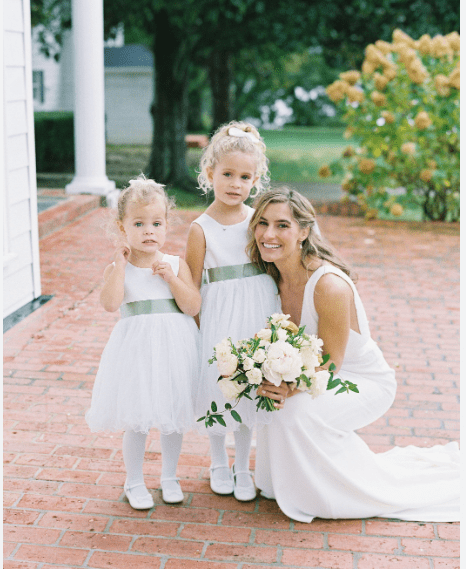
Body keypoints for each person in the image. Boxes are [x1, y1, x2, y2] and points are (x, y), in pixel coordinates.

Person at [246, 186, 460, 523]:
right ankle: (288, 483)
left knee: (295, 411)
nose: (268, 234)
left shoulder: (329, 285)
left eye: (282, 225)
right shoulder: (269, 277)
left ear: (304, 231)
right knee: (276, 405)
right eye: (262, 223)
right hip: (320, 373)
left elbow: (331, 362)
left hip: (362, 381)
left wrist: (288, 387)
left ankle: (346, 493)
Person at [86, 176, 201, 509]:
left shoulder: (176, 264)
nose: (149, 230)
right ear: (122, 228)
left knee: (173, 414)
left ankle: (169, 476)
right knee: (137, 418)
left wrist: (170, 278)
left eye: (156, 223)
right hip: (136, 351)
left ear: (166, 226)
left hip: (174, 349)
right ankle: (134, 480)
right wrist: (120, 266)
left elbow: (193, 306)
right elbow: (110, 304)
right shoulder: (117, 268)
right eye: (139, 223)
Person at [186, 121, 280, 502]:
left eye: (245, 177)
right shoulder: (200, 227)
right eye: (227, 175)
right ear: (210, 174)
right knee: (219, 387)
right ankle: (216, 461)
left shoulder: (257, 218)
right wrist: (197, 329)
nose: (235, 184)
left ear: (256, 180)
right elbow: (191, 285)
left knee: (248, 385)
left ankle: (243, 464)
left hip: (256, 306)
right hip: (219, 312)